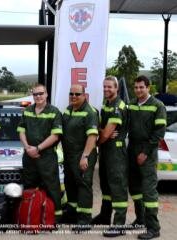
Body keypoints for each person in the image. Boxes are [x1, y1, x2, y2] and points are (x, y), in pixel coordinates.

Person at [17, 83, 63, 222]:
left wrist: (37, 149)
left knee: (51, 187)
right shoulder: (27, 111)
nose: (38, 96)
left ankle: (54, 219)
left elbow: (55, 135)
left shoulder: (54, 112)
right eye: (35, 94)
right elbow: (21, 130)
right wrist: (27, 148)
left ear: (46, 94)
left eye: (41, 93)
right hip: (29, 156)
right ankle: (31, 218)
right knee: (29, 187)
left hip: (46, 157)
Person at [128, 75, 166, 240]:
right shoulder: (132, 104)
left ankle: (153, 228)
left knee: (149, 191)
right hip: (132, 149)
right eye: (136, 87)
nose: (138, 90)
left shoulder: (158, 106)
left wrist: (145, 152)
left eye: (141, 87)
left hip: (147, 153)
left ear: (148, 87)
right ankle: (140, 218)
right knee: (135, 187)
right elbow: (124, 123)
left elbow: (159, 133)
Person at [61, 84, 99, 231]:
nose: (74, 97)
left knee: (83, 186)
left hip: (83, 154)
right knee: (70, 184)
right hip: (69, 155)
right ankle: (72, 214)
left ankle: (84, 219)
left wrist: (85, 156)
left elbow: (92, 136)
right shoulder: (68, 110)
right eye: (71, 94)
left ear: (84, 95)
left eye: (77, 94)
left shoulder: (90, 112)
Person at [96, 76, 129, 237]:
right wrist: (104, 133)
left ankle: (119, 224)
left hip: (116, 153)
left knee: (118, 187)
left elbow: (105, 134)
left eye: (110, 87)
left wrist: (102, 134)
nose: (106, 89)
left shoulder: (118, 105)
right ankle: (104, 216)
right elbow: (104, 131)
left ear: (117, 88)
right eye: (104, 87)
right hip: (106, 150)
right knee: (106, 187)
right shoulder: (107, 104)